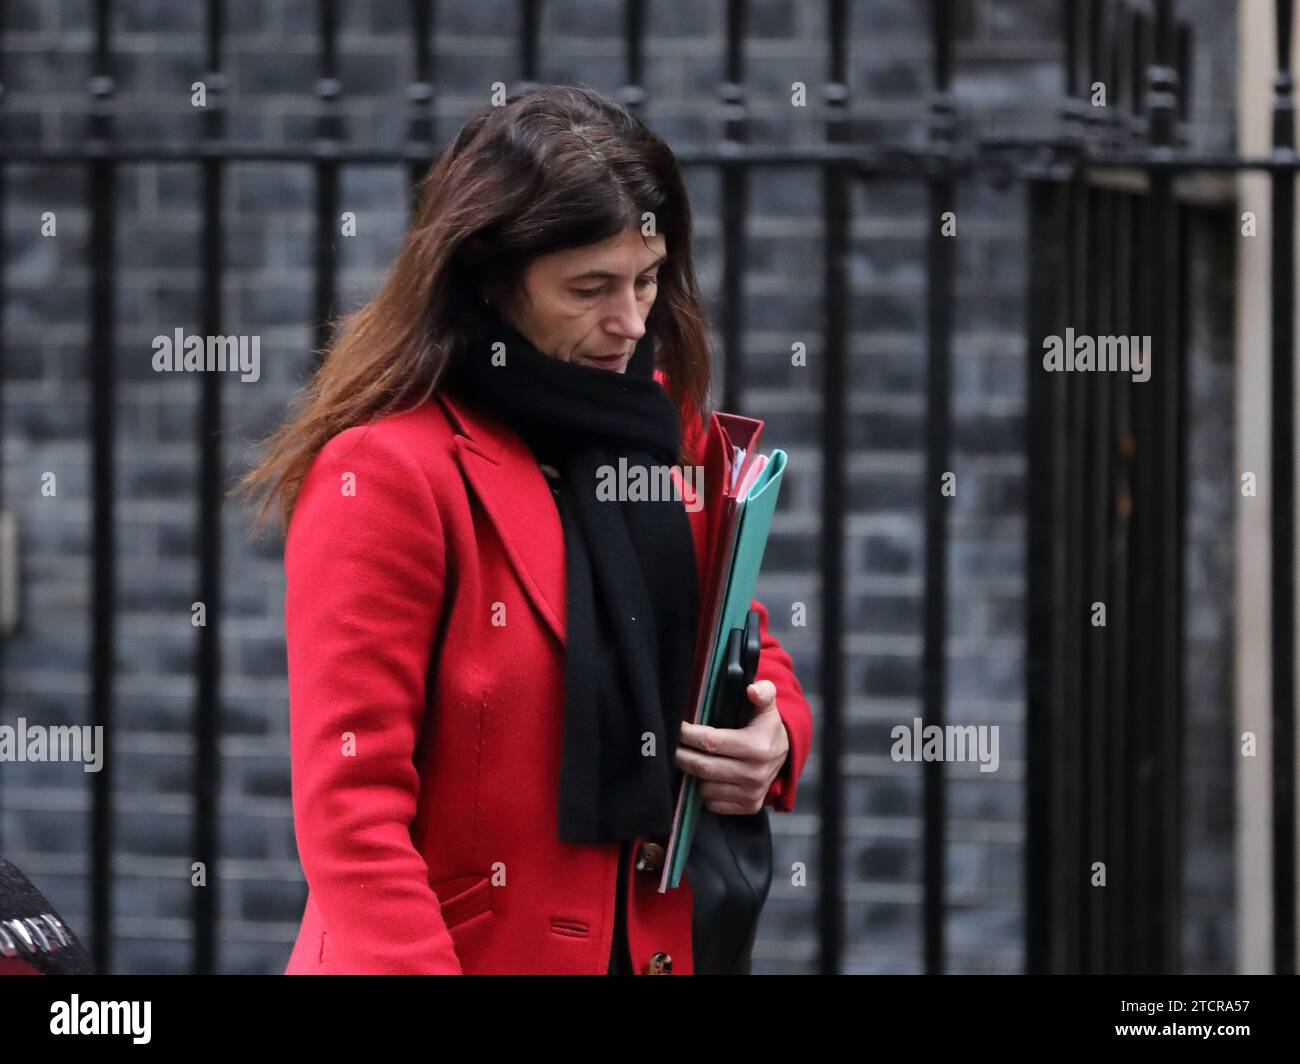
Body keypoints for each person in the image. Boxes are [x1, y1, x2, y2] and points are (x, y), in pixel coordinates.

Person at [234, 84, 812, 975]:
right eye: (590, 289)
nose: (632, 322)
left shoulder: (663, 428)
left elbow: (742, 641)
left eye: (648, 281)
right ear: (491, 280)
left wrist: (771, 741)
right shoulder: (388, 471)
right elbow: (352, 815)